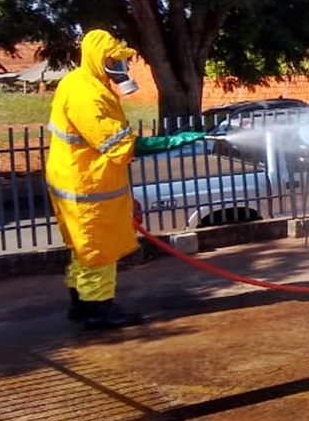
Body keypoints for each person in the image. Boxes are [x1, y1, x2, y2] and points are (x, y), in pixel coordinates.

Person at [45, 29, 204, 328]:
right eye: (114, 62)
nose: (122, 69)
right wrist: (172, 142)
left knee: (84, 249)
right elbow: (120, 145)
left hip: (76, 179)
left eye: (122, 62)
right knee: (99, 251)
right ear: (97, 59)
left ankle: (80, 305)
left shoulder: (80, 81)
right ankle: (100, 311)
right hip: (88, 185)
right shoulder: (89, 95)